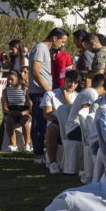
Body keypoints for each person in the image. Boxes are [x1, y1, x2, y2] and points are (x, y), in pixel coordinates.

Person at [27, 28, 69, 163]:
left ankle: (41, 152)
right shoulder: (40, 48)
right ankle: (38, 154)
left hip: (42, 91)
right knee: (39, 122)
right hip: (40, 92)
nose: (63, 45)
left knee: (44, 122)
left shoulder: (44, 49)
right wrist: (47, 90)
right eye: (62, 41)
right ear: (54, 38)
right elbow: (35, 70)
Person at [1, 69, 31, 152]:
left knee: (25, 120)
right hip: (11, 112)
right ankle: (13, 145)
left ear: (18, 78)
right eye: (8, 80)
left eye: (12, 79)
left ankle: (27, 144)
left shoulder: (25, 89)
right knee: (8, 120)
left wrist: (23, 113)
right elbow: (5, 107)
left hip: (23, 112)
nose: (10, 82)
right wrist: (10, 112)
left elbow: (29, 106)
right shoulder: (6, 91)